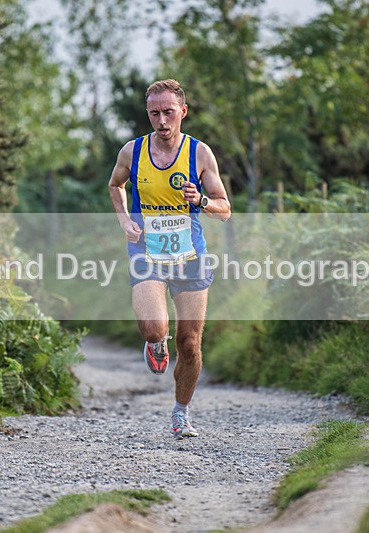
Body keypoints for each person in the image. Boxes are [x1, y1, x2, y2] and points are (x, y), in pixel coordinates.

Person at [108, 79, 231, 438]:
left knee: (190, 343)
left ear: (183, 112)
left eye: (168, 113)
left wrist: (202, 201)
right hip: (147, 250)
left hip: (190, 254)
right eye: (154, 113)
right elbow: (115, 185)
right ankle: (154, 342)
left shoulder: (200, 154)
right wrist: (124, 218)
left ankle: (181, 413)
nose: (161, 121)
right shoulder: (133, 151)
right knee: (154, 327)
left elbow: (224, 210)